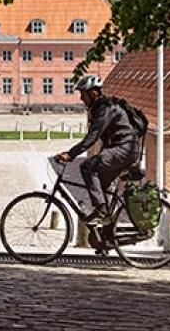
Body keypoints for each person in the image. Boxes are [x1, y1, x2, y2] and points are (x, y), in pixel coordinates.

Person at [56, 74, 140, 225]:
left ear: (93, 93)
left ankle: (101, 212)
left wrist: (71, 154)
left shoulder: (106, 108)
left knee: (88, 167)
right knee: (100, 184)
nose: (81, 98)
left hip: (124, 148)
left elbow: (93, 137)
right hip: (123, 149)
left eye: (83, 93)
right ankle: (105, 234)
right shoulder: (101, 107)